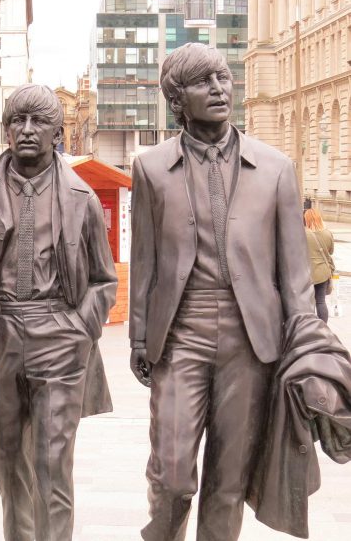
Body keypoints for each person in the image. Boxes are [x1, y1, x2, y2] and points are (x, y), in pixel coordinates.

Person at [129, 42, 314, 541]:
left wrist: (306, 346)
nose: (218, 89)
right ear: (177, 99)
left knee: (227, 483)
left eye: (223, 78)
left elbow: (296, 274)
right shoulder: (150, 168)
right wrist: (139, 337)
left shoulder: (276, 168)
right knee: (171, 478)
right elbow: (144, 260)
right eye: (202, 81)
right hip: (180, 333)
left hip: (250, 340)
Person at [0, 83, 117, 541]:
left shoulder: (81, 198)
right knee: (8, 467)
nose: (26, 130)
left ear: (57, 133)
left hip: (59, 335)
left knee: (52, 467)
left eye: (38, 121)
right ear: (5, 131)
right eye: (17, 121)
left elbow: (103, 279)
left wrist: (79, 329)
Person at [304, 207, 334, 323]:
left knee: (307, 302)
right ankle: (323, 327)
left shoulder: (303, 234)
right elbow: (331, 251)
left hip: (307, 273)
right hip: (323, 272)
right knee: (321, 301)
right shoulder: (327, 233)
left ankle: (309, 327)